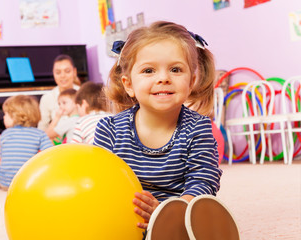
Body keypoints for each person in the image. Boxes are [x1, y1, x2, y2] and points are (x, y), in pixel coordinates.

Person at [93, 21, 238, 239]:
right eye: (148, 70)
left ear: (191, 81)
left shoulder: (198, 128)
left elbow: (203, 180)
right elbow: (100, 184)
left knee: (207, 217)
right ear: (129, 84)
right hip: (127, 219)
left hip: (179, 219)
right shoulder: (110, 129)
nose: (163, 78)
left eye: (176, 69)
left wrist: (168, 213)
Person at [0, 95, 53, 189]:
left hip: (4, 182)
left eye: (6, 114)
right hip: (27, 183)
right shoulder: (39, 134)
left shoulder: (5, 134)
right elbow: (51, 154)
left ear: (15, 115)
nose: (3, 117)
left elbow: (2, 159)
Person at [38, 54, 81, 130]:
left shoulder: (82, 93)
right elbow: (42, 128)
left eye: (67, 71)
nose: (63, 76)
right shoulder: (47, 98)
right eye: (58, 72)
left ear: (74, 72)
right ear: (53, 74)